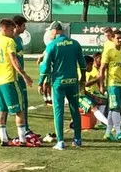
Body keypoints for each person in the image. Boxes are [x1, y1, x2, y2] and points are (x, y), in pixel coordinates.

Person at [38, 21, 86, 150]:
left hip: (58, 82)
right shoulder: (75, 44)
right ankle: (77, 139)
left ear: (54, 31)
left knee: (58, 111)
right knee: (75, 110)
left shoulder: (52, 45)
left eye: (50, 31)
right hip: (73, 81)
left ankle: (60, 141)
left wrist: (41, 81)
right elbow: (82, 63)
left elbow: (45, 67)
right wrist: (83, 79)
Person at [0, 19, 33, 146]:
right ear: (5, 29)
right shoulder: (9, 41)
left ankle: (4, 139)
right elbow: (13, 59)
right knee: (19, 110)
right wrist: (24, 75)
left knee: (1, 111)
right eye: (11, 29)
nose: (13, 31)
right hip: (9, 80)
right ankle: (23, 139)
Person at [100, 30, 121, 141]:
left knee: (113, 109)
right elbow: (102, 69)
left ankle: (107, 133)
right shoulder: (108, 51)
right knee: (116, 108)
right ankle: (118, 131)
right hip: (113, 84)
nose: (120, 40)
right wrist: (102, 85)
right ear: (113, 38)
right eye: (118, 38)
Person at [78, 55, 108, 129]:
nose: (92, 67)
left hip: (83, 95)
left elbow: (83, 89)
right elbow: (84, 85)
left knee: (102, 101)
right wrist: (98, 79)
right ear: (87, 64)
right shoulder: (79, 72)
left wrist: (92, 96)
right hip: (78, 97)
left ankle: (99, 123)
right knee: (93, 107)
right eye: (91, 65)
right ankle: (109, 124)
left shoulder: (83, 72)